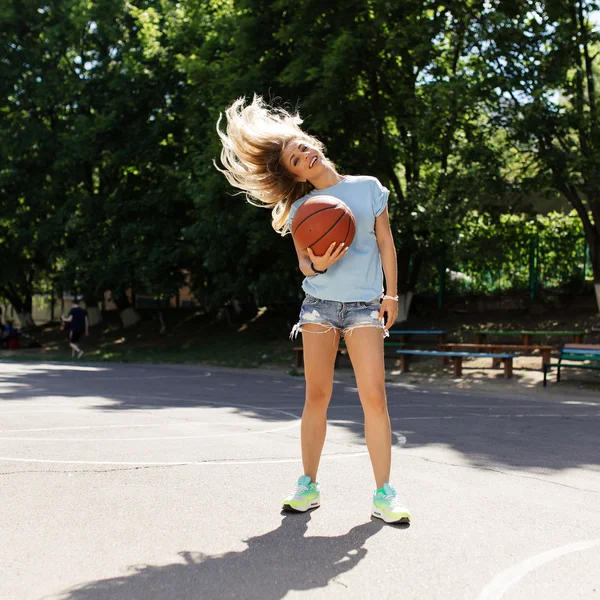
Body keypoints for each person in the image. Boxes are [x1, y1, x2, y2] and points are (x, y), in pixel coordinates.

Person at [216, 96, 409, 524]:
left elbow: (385, 243)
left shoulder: (369, 187)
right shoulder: (304, 210)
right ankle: (308, 485)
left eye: (301, 146)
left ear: (311, 142)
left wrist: (390, 295)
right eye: (295, 160)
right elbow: (305, 262)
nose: (304, 155)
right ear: (295, 175)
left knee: (373, 398)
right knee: (316, 397)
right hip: (319, 307)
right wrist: (318, 264)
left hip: (364, 307)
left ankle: (384, 493)